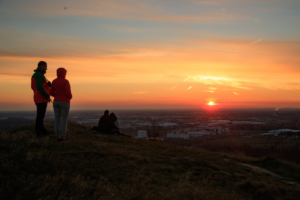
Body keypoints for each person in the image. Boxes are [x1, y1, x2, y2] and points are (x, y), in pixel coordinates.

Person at [50, 68, 72, 142]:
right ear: (64, 73)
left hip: (56, 101)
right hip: (65, 102)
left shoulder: (54, 81)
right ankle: (63, 137)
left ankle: (57, 136)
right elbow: (68, 93)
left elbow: (51, 92)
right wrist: (70, 97)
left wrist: (57, 95)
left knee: (56, 119)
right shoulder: (66, 81)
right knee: (64, 120)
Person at [31, 61, 52, 137]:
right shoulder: (40, 75)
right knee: (40, 116)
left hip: (38, 97)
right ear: (41, 66)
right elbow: (39, 87)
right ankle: (39, 133)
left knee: (40, 116)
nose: (46, 68)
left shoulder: (36, 74)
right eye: (45, 66)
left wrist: (47, 85)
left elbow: (33, 87)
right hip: (41, 98)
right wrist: (47, 96)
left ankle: (41, 130)